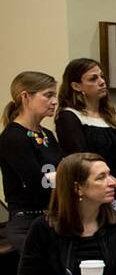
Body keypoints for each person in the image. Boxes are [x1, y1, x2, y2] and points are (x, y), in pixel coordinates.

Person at [54, 59, 116, 200]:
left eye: (102, 76)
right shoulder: (69, 117)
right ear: (76, 86)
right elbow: (83, 161)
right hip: (93, 194)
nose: (101, 82)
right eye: (93, 79)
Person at [0, 71, 64, 255]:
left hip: (52, 217)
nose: (54, 101)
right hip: (27, 223)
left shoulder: (47, 134)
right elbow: (37, 185)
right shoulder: (14, 137)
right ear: (26, 96)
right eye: (48, 95)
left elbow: (60, 172)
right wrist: (65, 178)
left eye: (55, 95)